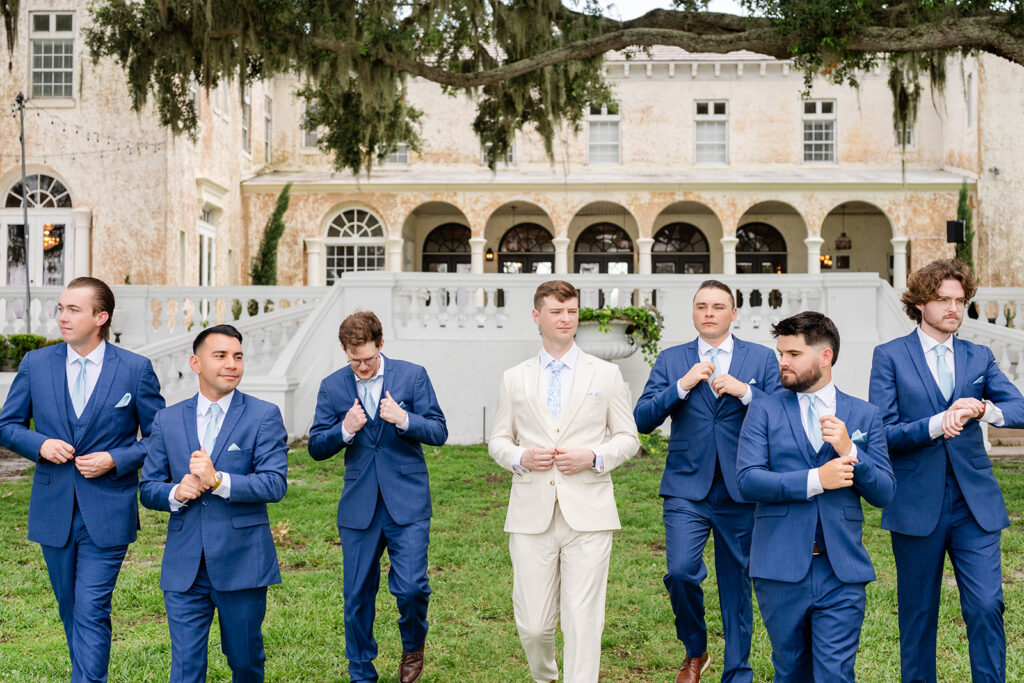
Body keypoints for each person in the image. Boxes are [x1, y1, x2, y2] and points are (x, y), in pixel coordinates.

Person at [0, 277, 164, 682]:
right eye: (60, 308)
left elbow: (161, 438)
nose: (62, 317)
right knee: (71, 607)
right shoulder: (36, 364)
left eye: (73, 309)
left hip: (108, 509)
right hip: (53, 509)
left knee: (91, 606)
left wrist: (116, 458)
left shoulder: (134, 369)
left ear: (100, 317)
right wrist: (40, 445)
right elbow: (7, 425)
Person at [869, 259, 1024, 682]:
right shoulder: (890, 357)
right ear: (920, 303)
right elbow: (882, 433)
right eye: (943, 300)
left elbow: (1019, 407)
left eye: (960, 300)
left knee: (988, 605)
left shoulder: (980, 357)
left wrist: (984, 408)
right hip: (917, 504)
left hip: (974, 505)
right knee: (918, 615)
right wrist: (939, 423)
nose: (954, 308)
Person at [488, 280, 640, 683]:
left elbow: (628, 437)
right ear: (537, 316)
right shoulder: (514, 377)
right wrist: (521, 456)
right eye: (557, 311)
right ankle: (545, 676)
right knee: (535, 625)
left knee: (582, 619)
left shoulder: (605, 374)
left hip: (589, 512)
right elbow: (498, 440)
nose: (566, 319)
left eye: (572, 311)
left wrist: (595, 456)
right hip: (530, 512)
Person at [633, 279, 781, 683]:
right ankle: (695, 650)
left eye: (718, 306)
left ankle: (738, 672)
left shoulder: (762, 358)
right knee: (680, 572)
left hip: (742, 486)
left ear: (734, 314)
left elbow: (784, 416)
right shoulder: (671, 359)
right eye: (702, 306)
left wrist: (745, 393)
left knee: (736, 585)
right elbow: (643, 419)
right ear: (694, 313)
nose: (710, 313)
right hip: (686, 487)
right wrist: (681, 386)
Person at [737, 312, 895, 681]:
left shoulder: (864, 414)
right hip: (779, 567)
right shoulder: (764, 408)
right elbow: (747, 480)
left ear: (825, 356)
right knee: (790, 671)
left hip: (841, 570)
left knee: (835, 675)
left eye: (793, 354)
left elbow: (885, 492)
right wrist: (815, 479)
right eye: (780, 354)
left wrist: (851, 453)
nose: (783, 363)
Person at [139, 324, 288, 682]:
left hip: (242, 562)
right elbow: (148, 488)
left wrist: (217, 481)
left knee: (245, 661)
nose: (231, 364)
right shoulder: (168, 419)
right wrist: (176, 492)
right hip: (185, 566)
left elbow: (274, 483)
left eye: (237, 356)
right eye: (220, 356)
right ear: (196, 362)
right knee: (186, 668)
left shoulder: (263, 415)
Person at [308, 311, 447, 683]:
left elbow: (438, 430)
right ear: (344, 351)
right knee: (356, 597)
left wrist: (404, 420)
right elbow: (316, 447)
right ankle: (361, 672)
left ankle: (413, 645)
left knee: (413, 586)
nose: (363, 367)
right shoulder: (332, 386)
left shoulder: (413, 375)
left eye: (369, 359)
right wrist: (344, 430)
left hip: (408, 500)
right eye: (355, 361)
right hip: (359, 505)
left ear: (381, 345)